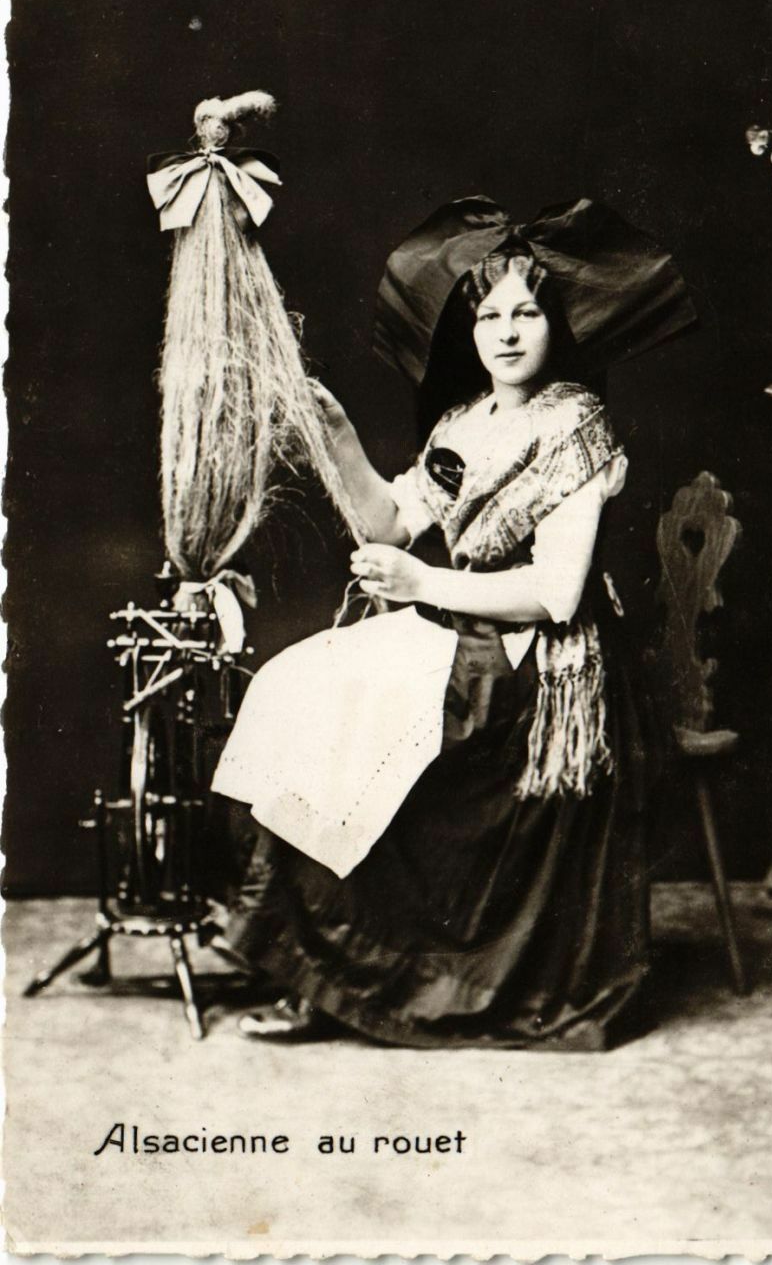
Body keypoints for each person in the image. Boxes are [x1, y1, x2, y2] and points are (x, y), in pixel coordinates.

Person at [212, 236, 653, 1049]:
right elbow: (389, 522)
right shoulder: (462, 424)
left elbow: (554, 594)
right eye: (490, 317)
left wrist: (421, 584)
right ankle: (303, 956)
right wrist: (338, 433)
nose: (507, 333)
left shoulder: (575, 422)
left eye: (527, 313)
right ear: (470, 330)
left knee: (357, 723)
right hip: (465, 633)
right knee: (291, 686)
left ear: (555, 324)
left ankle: (331, 975)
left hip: (539, 667)